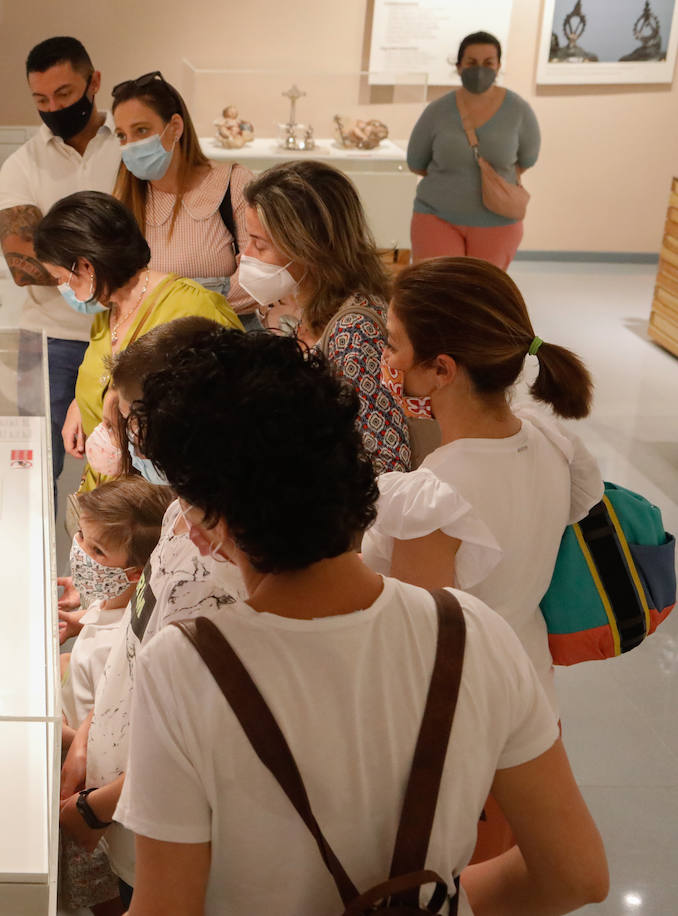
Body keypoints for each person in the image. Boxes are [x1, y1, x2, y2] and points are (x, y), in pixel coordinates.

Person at [114, 327, 608, 915]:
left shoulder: (184, 668)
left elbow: (166, 907)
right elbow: (576, 876)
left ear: (209, 519)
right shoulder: (474, 633)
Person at [58, 317, 244, 904]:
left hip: (153, 825)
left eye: (135, 418)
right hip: (120, 804)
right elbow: (136, 646)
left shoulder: (222, 556)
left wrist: (93, 810)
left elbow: (196, 736)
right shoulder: (175, 516)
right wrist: (87, 733)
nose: (130, 436)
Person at [364, 258, 601, 715]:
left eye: (393, 345)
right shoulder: (553, 442)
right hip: (531, 693)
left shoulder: (436, 498)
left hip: (465, 721)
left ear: (442, 370)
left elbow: (417, 647)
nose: (385, 362)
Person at [33, 190, 241, 493]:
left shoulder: (195, 308)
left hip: (166, 512)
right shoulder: (109, 312)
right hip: (108, 506)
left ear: (86, 266)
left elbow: (232, 416)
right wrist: (82, 404)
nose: (62, 289)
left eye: (61, 279)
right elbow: (104, 377)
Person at [0, 37, 122, 492]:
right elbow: (20, 262)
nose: (53, 107)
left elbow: (152, 240)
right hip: (46, 337)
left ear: (95, 82)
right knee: (33, 470)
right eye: (41, 99)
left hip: (124, 330)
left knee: (124, 467)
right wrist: (108, 266)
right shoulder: (21, 164)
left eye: (64, 94)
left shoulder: (127, 148)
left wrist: (63, 261)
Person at [240, 160, 415, 473]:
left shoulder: (354, 331)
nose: (246, 255)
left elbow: (386, 464)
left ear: (308, 247)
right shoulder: (308, 308)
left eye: (259, 244)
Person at [57, 477, 172, 916]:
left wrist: (58, 734)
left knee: (104, 892)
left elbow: (112, 729)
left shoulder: (127, 639)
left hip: (102, 806)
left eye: (98, 551)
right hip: (91, 785)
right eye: (82, 536)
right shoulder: (113, 608)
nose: (81, 550)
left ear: (136, 571)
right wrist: (83, 619)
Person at [110, 71, 259, 327]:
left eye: (141, 130)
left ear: (175, 127)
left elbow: (258, 278)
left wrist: (173, 304)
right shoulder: (124, 199)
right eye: (122, 135)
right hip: (153, 350)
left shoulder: (233, 184)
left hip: (227, 349)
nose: (130, 145)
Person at [407, 31, 540, 269]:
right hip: (436, 217)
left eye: (488, 62)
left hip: (498, 223)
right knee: (436, 294)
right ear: (458, 66)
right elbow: (415, 161)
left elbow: (528, 158)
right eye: (471, 62)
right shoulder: (437, 111)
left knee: (480, 298)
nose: (480, 69)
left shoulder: (518, 110)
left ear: (499, 66)